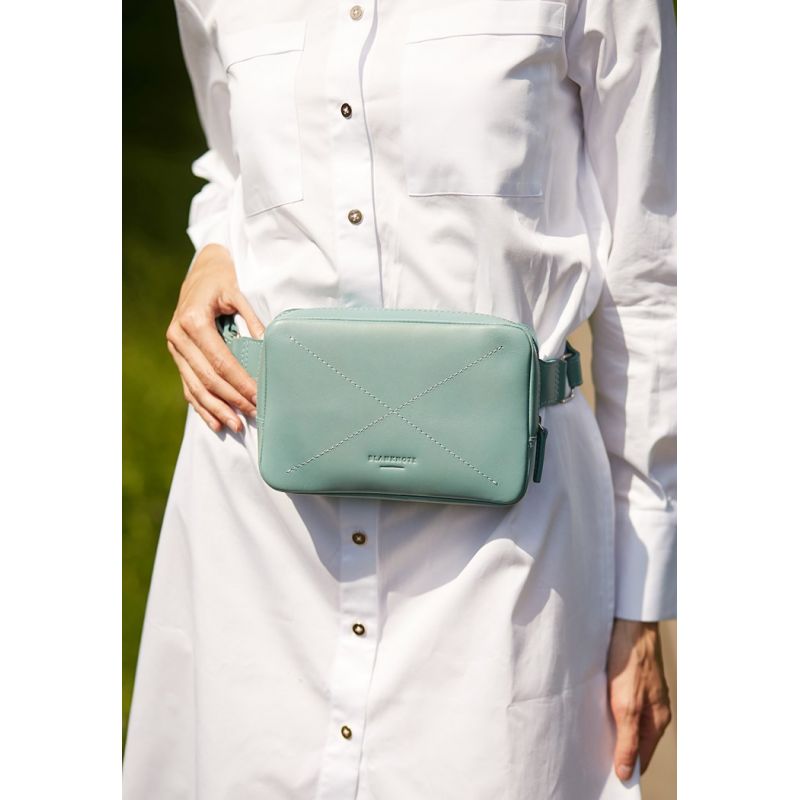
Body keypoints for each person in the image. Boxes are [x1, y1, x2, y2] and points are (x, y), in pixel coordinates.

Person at [122, 0, 676, 797]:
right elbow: (232, 164)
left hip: (507, 557)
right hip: (259, 543)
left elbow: (653, 274)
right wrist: (213, 247)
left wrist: (640, 598)